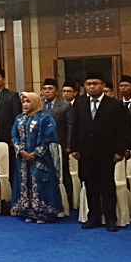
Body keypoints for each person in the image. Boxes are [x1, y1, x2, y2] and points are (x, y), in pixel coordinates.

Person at [70, 72, 131, 232]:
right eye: (88, 84)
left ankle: (110, 218)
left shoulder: (115, 105)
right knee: (90, 185)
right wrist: (74, 147)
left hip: (107, 152)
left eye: (95, 83)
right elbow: (75, 127)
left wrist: (120, 151)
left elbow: (123, 130)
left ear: (103, 86)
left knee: (107, 185)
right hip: (86, 152)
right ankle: (94, 217)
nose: (92, 87)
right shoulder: (79, 103)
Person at [11, 92, 63, 224]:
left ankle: (42, 213)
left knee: (40, 183)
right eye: (23, 102)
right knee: (24, 182)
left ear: (35, 102)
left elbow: (48, 137)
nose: (25, 104)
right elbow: (14, 135)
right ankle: (27, 211)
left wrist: (35, 153)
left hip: (40, 158)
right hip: (23, 159)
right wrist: (21, 151)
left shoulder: (45, 118)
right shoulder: (19, 118)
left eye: (28, 102)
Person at [41, 78, 74, 206]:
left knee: (63, 173)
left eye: (50, 89)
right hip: (42, 145)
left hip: (60, 144)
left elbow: (70, 126)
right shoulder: (39, 105)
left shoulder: (65, 105)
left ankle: (67, 201)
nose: (47, 91)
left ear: (56, 91)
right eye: (45, 89)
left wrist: (69, 145)